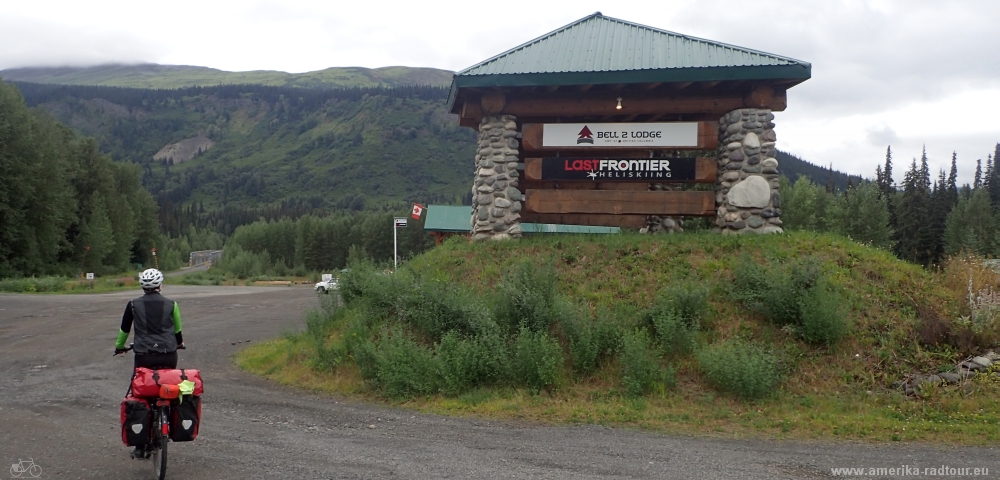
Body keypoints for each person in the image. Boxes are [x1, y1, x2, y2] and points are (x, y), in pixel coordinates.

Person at [114, 268, 184, 459]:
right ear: (160, 285)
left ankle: (140, 444)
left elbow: (124, 330)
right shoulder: (171, 304)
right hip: (168, 355)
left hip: (144, 355)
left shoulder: (133, 305)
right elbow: (177, 330)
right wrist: (179, 344)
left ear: (142, 286)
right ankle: (167, 421)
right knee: (168, 386)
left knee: (140, 393)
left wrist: (119, 347)